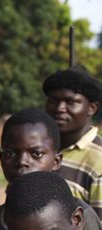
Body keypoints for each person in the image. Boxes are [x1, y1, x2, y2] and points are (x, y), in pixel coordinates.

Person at [44, 67, 102, 216]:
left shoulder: (98, 161)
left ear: (92, 108)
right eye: (53, 100)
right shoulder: (38, 150)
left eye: (71, 102)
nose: (60, 108)